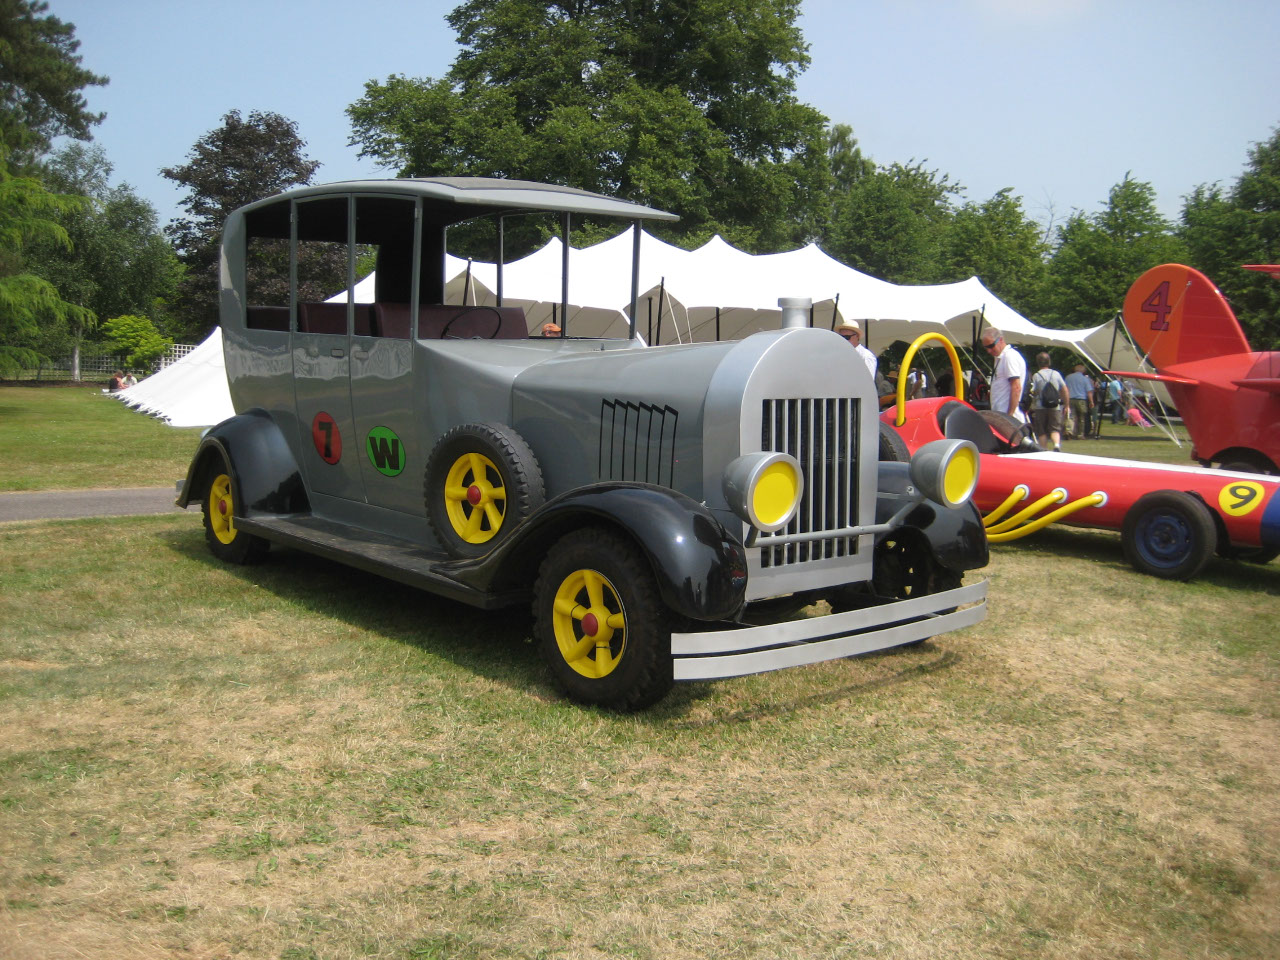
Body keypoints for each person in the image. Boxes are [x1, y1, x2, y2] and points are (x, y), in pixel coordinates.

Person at [980, 327, 1027, 424]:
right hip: (1001, 414)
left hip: (1008, 417)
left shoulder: (1009, 356)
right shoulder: (999, 358)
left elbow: (1016, 387)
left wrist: (1009, 416)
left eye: (991, 346)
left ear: (1000, 340)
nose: (989, 351)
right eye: (986, 348)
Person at [1028, 352, 1068, 451]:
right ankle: (1056, 445)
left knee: (1041, 430)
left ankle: (1044, 449)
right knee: (1055, 428)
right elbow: (1064, 390)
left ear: (1038, 363)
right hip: (1055, 406)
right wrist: (1067, 405)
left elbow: (1033, 391)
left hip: (1040, 407)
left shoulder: (1036, 376)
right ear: (1049, 362)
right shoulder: (1056, 374)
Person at [1064, 363, 1093, 440]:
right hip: (1081, 400)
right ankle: (1080, 434)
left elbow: (1064, 389)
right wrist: (1091, 401)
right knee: (1081, 418)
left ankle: (1069, 431)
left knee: (1070, 416)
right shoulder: (1085, 379)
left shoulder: (1068, 377)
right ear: (1083, 371)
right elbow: (1089, 391)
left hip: (1070, 399)